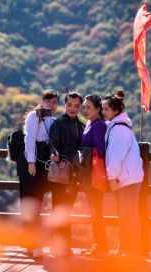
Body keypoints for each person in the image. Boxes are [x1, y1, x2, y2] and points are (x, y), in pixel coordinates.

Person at [102, 89, 144, 261]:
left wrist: (111, 178)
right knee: (127, 215)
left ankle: (132, 252)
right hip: (129, 177)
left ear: (115, 111)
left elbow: (116, 156)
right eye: (103, 108)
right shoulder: (118, 126)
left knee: (128, 216)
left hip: (125, 179)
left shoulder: (118, 129)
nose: (103, 112)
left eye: (106, 109)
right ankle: (127, 250)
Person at [20, 89, 59, 258]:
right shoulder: (34, 116)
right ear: (42, 101)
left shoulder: (52, 120)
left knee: (39, 203)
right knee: (32, 203)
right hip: (34, 162)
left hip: (45, 164)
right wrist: (31, 162)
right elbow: (29, 139)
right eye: (48, 101)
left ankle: (34, 244)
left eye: (54, 102)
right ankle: (34, 245)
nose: (51, 105)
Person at [49, 91, 85, 257]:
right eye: (69, 105)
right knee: (58, 209)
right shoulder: (58, 123)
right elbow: (52, 144)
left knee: (67, 210)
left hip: (74, 175)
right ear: (65, 105)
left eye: (77, 106)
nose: (73, 108)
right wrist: (54, 153)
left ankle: (65, 246)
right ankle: (57, 247)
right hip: (61, 172)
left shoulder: (80, 125)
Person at [80, 93, 109, 258]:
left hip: (94, 174)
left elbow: (101, 151)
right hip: (89, 174)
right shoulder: (90, 123)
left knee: (96, 211)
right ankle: (98, 245)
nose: (85, 110)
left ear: (98, 109)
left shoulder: (98, 125)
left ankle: (101, 248)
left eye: (88, 108)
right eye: (84, 107)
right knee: (94, 211)